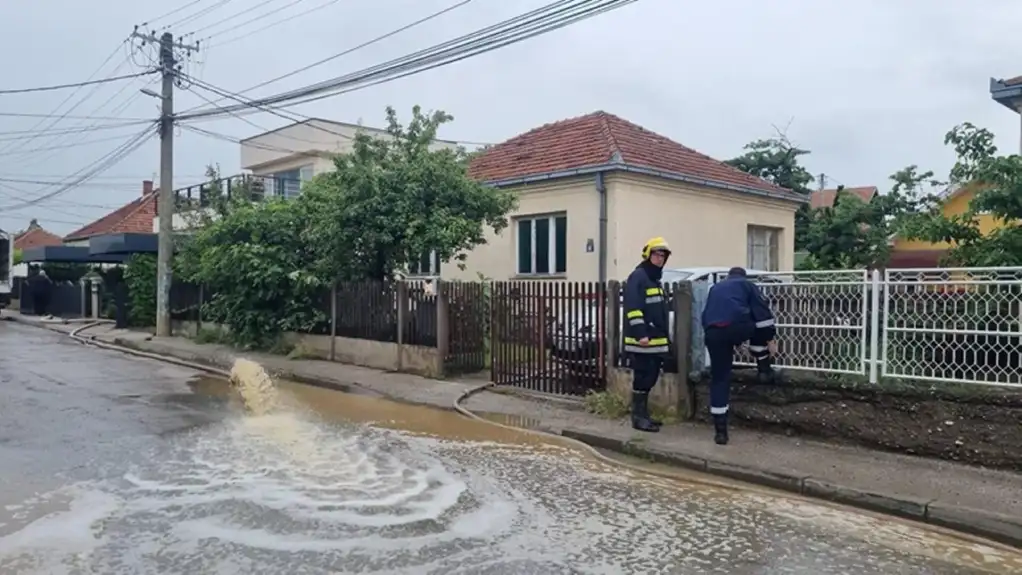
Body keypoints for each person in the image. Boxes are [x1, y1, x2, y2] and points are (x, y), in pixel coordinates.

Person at [701, 267, 779, 445]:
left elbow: (706, 315)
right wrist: (769, 339)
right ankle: (764, 370)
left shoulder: (716, 288)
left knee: (719, 378)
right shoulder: (747, 285)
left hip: (713, 333)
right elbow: (763, 315)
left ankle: (720, 432)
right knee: (760, 328)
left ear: (728, 277)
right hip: (738, 328)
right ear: (743, 276)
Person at [623, 236, 672, 432]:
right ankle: (638, 418)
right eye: (656, 254)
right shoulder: (639, 276)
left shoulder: (654, 279)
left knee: (650, 377)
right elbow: (633, 308)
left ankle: (644, 416)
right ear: (648, 255)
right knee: (643, 377)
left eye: (663, 256)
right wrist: (640, 333)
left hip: (656, 339)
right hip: (643, 340)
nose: (660, 259)